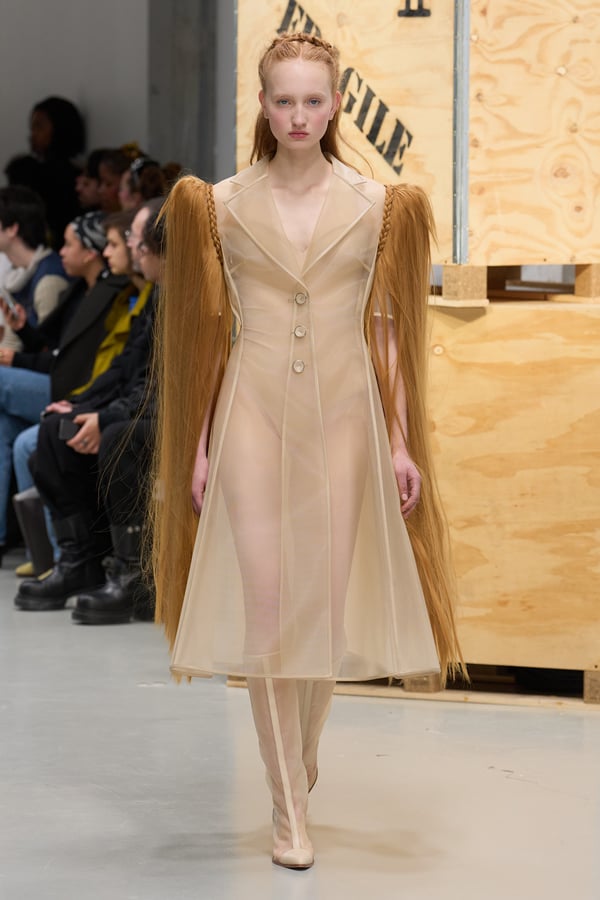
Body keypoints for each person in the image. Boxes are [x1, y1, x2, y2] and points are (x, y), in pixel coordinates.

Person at [152, 32, 465, 870]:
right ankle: (289, 804)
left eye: (313, 100)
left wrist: (401, 440)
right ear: (262, 103)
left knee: (318, 614)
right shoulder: (218, 205)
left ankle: (300, 756)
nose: (298, 115)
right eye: (284, 100)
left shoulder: (377, 205)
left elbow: (388, 335)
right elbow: (209, 338)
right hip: (252, 410)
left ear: (336, 105)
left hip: (346, 415)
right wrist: (201, 445)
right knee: (268, 614)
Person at [16, 199, 164, 617]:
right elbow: (125, 367)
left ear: (156, 245)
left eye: (133, 238)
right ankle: (79, 561)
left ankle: (132, 574)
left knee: (117, 437)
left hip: (165, 416)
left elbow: (162, 384)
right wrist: (83, 404)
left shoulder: (180, 295)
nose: (130, 246)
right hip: (138, 404)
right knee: (55, 428)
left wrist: (107, 416)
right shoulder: (155, 295)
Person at [0, 212, 134, 561]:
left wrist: (18, 359)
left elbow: (73, 365)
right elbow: (60, 352)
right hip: (76, 389)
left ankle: (64, 557)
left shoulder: (110, 294)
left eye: (68, 244)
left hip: (78, 391)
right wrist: (24, 331)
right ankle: (43, 554)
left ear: (89, 252)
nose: (60, 251)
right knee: (7, 429)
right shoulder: (82, 289)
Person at [5, 97, 85, 250]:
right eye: (32, 127)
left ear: (60, 128)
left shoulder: (72, 177)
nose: (33, 134)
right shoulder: (26, 169)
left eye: (39, 127)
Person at [0, 186, 70, 350]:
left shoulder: (49, 280)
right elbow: (11, 344)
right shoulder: (17, 275)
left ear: (12, 229)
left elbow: (48, 349)